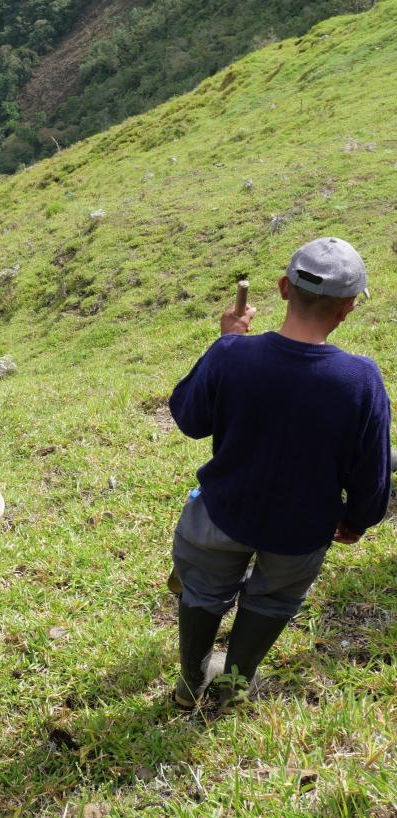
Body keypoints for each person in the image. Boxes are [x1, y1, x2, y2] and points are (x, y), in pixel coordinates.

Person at [170, 237, 391, 712]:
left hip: (222, 512)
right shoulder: (361, 380)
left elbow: (189, 418)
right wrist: (357, 519)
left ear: (284, 288)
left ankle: (190, 686)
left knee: (202, 592)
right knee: (271, 603)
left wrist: (225, 341)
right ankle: (232, 691)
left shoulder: (233, 356)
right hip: (301, 531)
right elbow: (372, 472)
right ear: (349, 307)